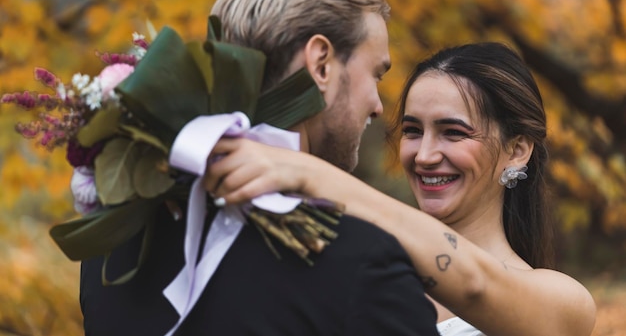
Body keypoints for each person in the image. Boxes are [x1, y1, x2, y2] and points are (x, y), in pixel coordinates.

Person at [79, 0, 440, 335]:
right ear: (321, 64)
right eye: (376, 74)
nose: (378, 107)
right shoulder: (360, 263)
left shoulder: (113, 247)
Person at [204, 42, 597, 336]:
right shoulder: (361, 272)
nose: (424, 155)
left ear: (517, 150)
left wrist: (313, 175)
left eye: (453, 133)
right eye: (412, 131)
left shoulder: (564, 302)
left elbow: (475, 286)